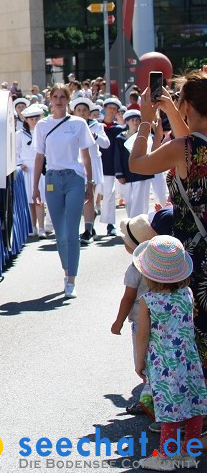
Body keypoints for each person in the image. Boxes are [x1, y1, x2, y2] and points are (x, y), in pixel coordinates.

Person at [128, 70, 207, 368]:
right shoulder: (189, 146)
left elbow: (136, 164)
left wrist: (147, 119)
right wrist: (173, 110)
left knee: (195, 327)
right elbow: (192, 140)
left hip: (195, 254)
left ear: (187, 107)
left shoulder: (182, 149)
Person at [132, 236, 207, 469]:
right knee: (193, 404)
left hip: (163, 362)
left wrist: (138, 361)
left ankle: (166, 456)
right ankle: (189, 453)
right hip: (189, 359)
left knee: (168, 408)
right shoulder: (187, 294)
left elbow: (142, 335)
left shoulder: (148, 301)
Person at [31, 83, 95, 299]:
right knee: (60, 234)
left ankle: (72, 279)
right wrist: (34, 189)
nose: (59, 100)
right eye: (55, 96)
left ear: (68, 100)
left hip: (74, 178)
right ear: (50, 99)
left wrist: (90, 182)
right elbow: (39, 157)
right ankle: (66, 270)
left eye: (62, 96)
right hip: (52, 180)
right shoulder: (41, 126)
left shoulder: (78, 124)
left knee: (71, 232)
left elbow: (86, 155)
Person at [112, 213, 158, 420]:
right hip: (162, 318)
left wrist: (118, 321)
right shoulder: (160, 265)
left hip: (141, 320)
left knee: (142, 358)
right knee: (157, 357)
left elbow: (128, 298)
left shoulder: (134, 269)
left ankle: (148, 400)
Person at [73, 96, 110, 245]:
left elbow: (106, 144)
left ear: (89, 113)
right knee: (76, 197)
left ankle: (88, 229)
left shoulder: (96, 126)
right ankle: (81, 226)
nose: (82, 113)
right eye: (79, 110)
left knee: (89, 195)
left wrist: (95, 136)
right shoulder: (71, 126)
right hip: (76, 163)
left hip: (92, 161)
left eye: (84, 111)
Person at [16, 104, 48, 238]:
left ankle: (42, 228)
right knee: (29, 201)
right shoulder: (20, 134)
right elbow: (15, 151)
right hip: (26, 169)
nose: (34, 121)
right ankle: (32, 227)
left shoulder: (44, 132)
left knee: (39, 200)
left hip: (40, 169)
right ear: (26, 120)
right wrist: (20, 163)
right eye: (31, 119)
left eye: (36, 118)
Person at [115, 108, 153, 220]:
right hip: (127, 173)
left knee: (142, 201)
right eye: (132, 120)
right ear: (126, 121)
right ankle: (131, 224)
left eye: (137, 120)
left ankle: (140, 224)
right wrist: (119, 174)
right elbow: (117, 157)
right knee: (129, 201)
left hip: (142, 173)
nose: (135, 122)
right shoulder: (120, 138)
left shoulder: (144, 136)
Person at [98, 96, 127, 236]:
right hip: (95, 166)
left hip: (110, 167)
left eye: (114, 109)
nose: (111, 111)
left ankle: (110, 224)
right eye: (109, 108)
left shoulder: (118, 129)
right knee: (92, 195)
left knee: (109, 196)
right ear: (104, 109)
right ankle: (89, 226)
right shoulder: (96, 126)